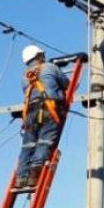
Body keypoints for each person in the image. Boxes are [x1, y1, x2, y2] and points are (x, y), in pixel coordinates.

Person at [16, 44, 70, 188]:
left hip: (30, 114)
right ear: (38, 56)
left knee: (28, 145)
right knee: (44, 142)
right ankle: (34, 175)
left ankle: (21, 177)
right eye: (42, 55)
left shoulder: (25, 77)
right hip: (49, 110)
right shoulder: (50, 67)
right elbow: (66, 83)